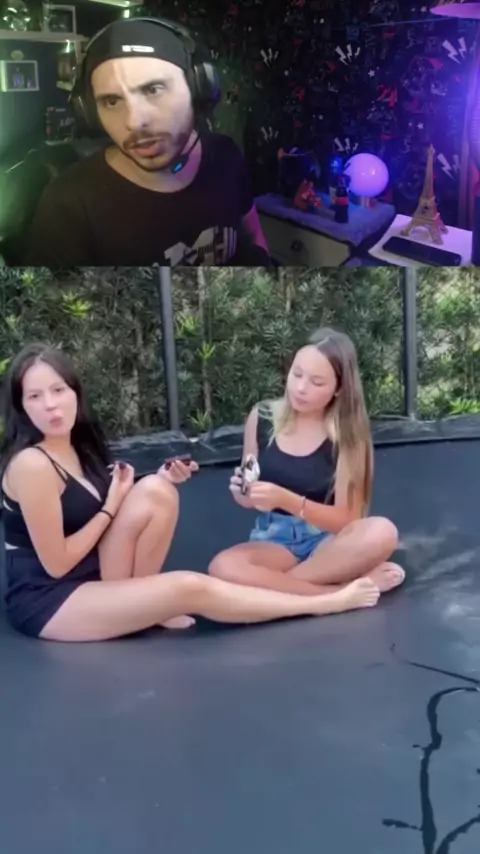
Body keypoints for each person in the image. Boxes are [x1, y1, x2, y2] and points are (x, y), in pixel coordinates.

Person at [0, 343, 380, 643]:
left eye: (58, 390)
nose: (50, 405)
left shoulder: (77, 447)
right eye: (35, 397)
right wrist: (112, 505)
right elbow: (57, 564)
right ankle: (324, 602)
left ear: (74, 393)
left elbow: (96, 512)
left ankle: (140, 606)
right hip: (51, 598)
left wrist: (153, 482)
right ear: (20, 406)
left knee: (156, 490)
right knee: (190, 587)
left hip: (96, 575)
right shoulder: (32, 464)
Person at [23, 17, 269, 267]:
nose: (134, 122)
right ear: (89, 112)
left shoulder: (225, 154)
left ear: (198, 88)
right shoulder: (67, 203)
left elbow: (254, 239)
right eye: (111, 101)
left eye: (153, 90)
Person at [209, 328, 405, 596]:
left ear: (339, 389)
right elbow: (248, 492)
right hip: (275, 540)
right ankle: (339, 592)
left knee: (381, 532)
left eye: (317, 382)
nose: (301, 388)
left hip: (328, 541)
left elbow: (348, 520)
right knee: (222, 567)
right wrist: (243, 492)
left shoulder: (348, 436)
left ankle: (276, 588)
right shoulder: (263, 417)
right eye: (297, 374)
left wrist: (287, 500)